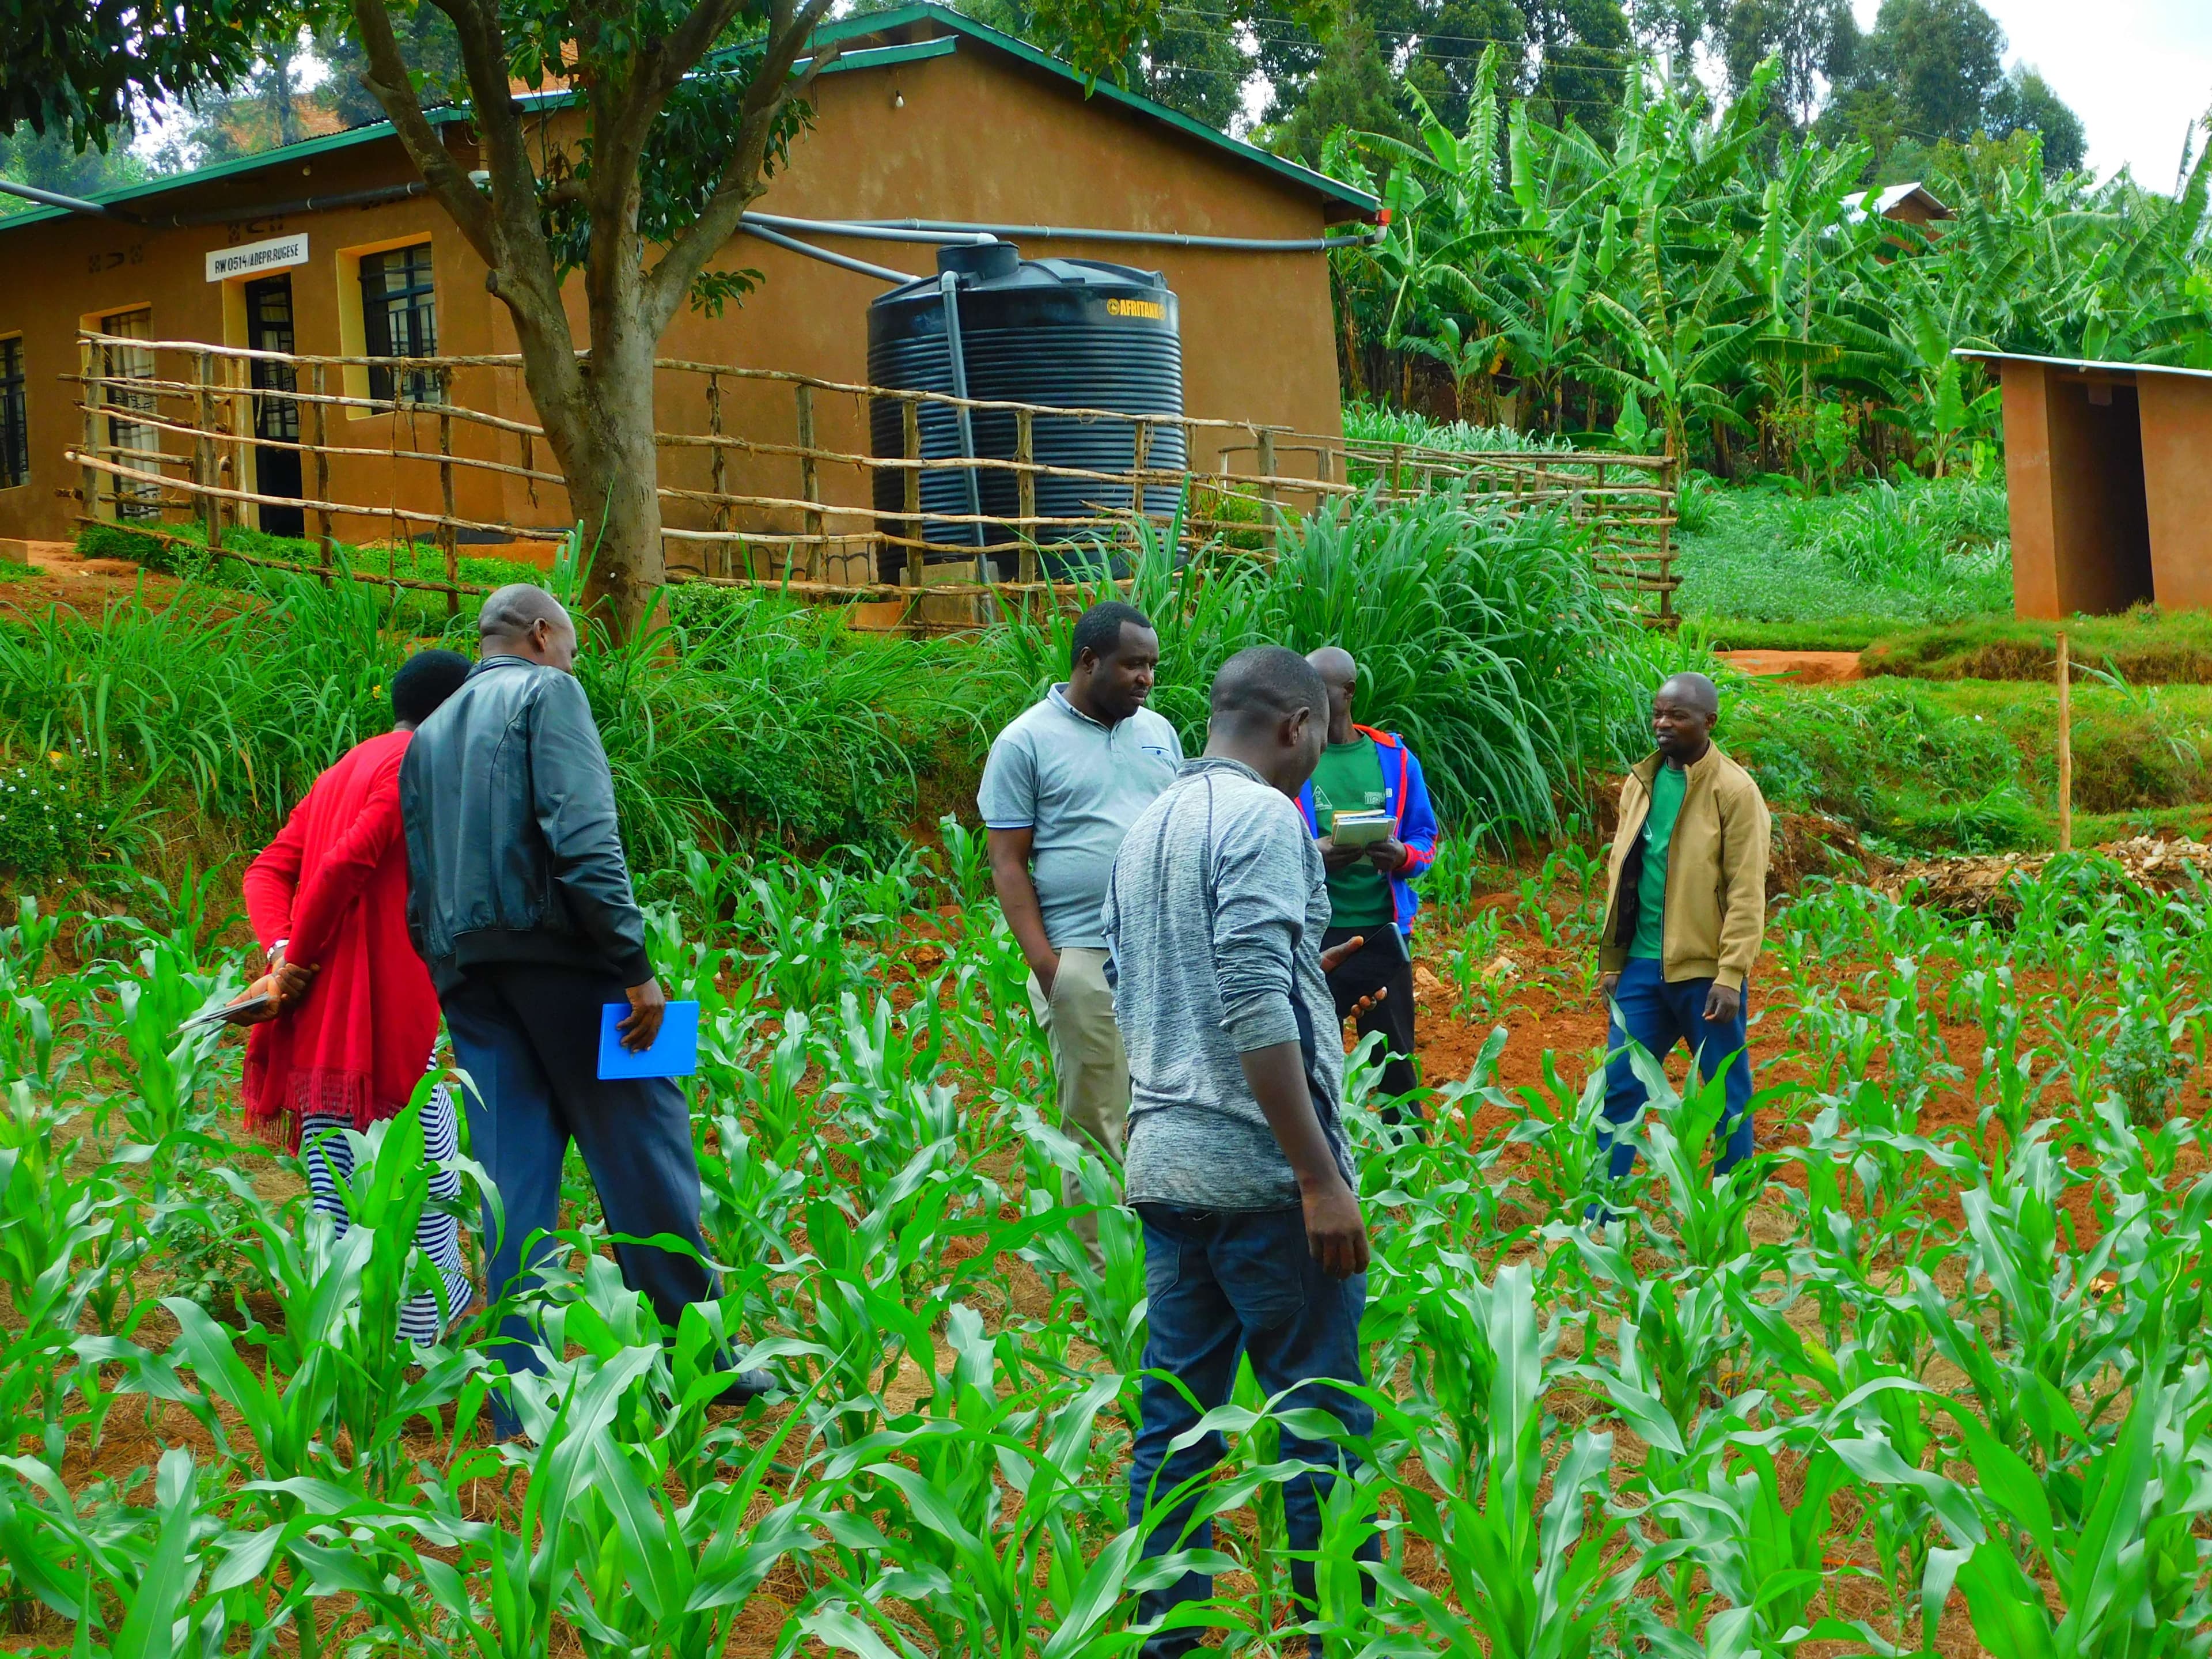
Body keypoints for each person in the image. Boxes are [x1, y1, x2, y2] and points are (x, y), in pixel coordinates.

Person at [399, 584, 768, 1431]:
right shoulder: (547, 693)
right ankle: (703, 1363)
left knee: (513, 1185)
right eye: (569, 644)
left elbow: (420, 876)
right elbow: (584, 834)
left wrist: (450, 970)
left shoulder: (428, 734)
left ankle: (515, 1402)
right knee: (649, 1148)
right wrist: (633, 965)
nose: (574, 660)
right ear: (540, 634)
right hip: (571, 961)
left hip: (470, 976)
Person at [1103, 645, 1378, 1658]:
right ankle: (1332, 1635)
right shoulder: (1264, 816)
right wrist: (1318, 1176)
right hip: (1262, 1179)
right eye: (1320, 737)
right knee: (1320, 1426)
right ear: (1295, 727)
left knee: (1175, 1431)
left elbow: (1150, 981)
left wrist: (1306, 966)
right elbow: (1252, 998)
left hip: (1167, 1168)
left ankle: (1166, 1638)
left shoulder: (1148, 825)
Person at [239, 649, 476, 1346]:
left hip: (321, 1023)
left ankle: (351, 1332)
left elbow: (267, 872)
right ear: (453, 712)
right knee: (421, 1179)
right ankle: (413, 1340)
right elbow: (345, 865)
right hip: (377, 1010)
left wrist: (282, 951)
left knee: (338, 1181)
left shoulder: (346, 766)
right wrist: (296, 961)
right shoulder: (414, 766)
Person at [978, 600, 1181, 1264]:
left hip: (1160, 952)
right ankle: (1102, 1272)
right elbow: (1007, 863)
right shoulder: (1025, 741)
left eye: (1152, 664)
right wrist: (1049, 966)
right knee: (1095, 1117)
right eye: (1133, 664)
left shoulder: (1160, 733)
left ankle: (1158, 1252)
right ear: (1089, 661)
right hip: (1083, 955)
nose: (1146, 678)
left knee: (1164, 1108)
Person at [1596, 671, 1771, 1181]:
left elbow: (1745, 891)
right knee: (1620, 1085)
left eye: (1677, 715)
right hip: (1643, 968)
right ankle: (1599, 1216)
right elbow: (1621, 870)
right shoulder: (1641, 782)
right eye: (1658, 713)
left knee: (1723, 1094)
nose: (1663, 724)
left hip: (1704, 973)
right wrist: (1613, 960)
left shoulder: (1734, 792)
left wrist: (1731, 974)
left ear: (1709, 722)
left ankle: (1729, 1205)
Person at [1297, 646, 1437, 1112]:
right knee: (1312, 1057)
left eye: (1320, 689)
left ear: (1349, 692)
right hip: (1316, 932)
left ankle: (1408, 1165)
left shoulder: (1394, 758)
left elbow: (1425, 837)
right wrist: (1311, 856)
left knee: (1395, 1058)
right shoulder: (1294, 758)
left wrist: (1400, 856)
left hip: (1383, 930)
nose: (1309, 699)